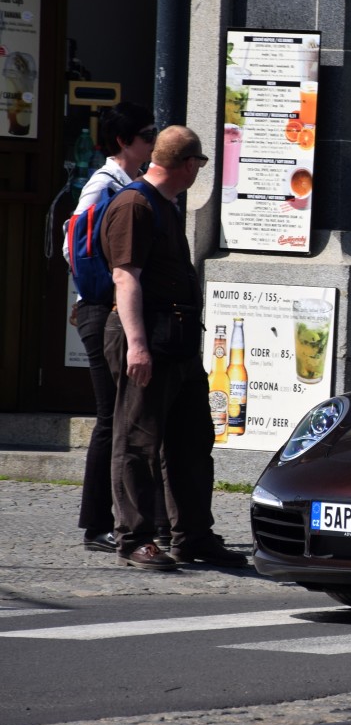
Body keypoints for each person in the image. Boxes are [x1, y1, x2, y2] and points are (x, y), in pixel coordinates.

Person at [101, 126, 246, 570]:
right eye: (199, 164)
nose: (199, 172)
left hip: (177, 340)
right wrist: (138, 347)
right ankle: (135, 538)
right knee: (138, 442)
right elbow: (125, 277)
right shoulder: (134, 205)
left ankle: (193, 535)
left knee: (191, 442)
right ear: (188, 165)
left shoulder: (163, 205)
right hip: (146, 338)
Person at [62, 103, 170, 553]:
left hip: (115, 309)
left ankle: (143, 517)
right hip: (100, 308)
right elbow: (75, 245)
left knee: (126, 416)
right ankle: (96, 524)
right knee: (111, 418)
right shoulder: (104, 185)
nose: (152, 141)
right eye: (147, 135)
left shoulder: (133, 186)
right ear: (125, 141)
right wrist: (110, 284)